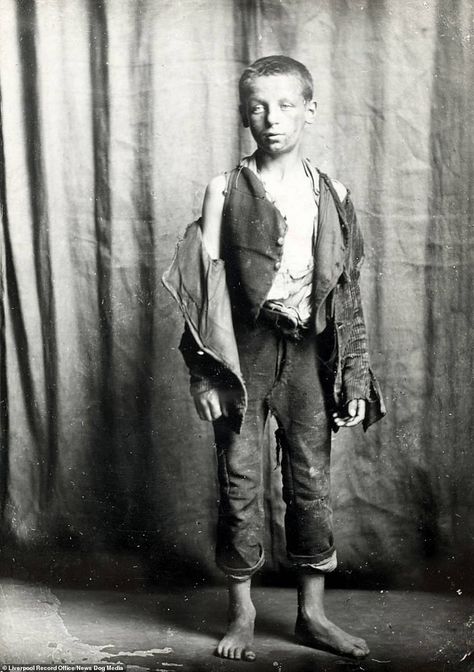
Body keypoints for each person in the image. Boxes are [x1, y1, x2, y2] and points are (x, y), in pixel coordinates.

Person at [163, 55, 385, 663]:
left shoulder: (332, 193)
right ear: (243, 115)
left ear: (310, 110)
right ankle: (242, 612)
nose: (272, 119)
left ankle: (313, 615)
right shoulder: (225, 190)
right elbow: (200, 291)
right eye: (258, 107)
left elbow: (344, 291)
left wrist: (355, 374)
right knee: (239, 483)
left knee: (311, 484)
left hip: (310, 354)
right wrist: (205, 372)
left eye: (286, 105)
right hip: (244, 354)